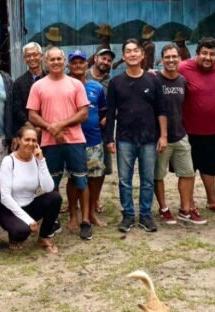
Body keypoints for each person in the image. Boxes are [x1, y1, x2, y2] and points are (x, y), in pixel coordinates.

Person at [27, 47, 92, 240]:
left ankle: (85, 221)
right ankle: (52, 220)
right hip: (49, 142)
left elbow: (83, 113)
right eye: (52, 59)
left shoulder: (75, 84)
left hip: (75, 140)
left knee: (81, 180)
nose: (56, 62)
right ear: (46, 62)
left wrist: (60, 126)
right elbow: (32, 115)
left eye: (59, 59)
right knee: (51, 183)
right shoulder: (38, 86)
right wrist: (51, 129)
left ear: (64, 62)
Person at [105, 39, 168, 233]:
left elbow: (161, 110)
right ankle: (128, 215)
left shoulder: (153, 80)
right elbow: (110, 113)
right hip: (125, 139)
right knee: (125, 180)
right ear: (123, 56)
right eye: (128, 51)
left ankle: (146, 215)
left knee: (147, 179)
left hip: (149, 139)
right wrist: (109, 139)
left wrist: (163, 136)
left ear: (142, 55)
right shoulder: (116, 82)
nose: (132, 54)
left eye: (135, 51)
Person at [179, 37, 215, 220]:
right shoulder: (183, 68)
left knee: (209, 168)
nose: (208, 57)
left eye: (212, 54)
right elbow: (166, 78)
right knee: (188, 169)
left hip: (213, 130)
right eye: (204, 53)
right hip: (187, 130)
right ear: (197, 54)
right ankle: (189, 203)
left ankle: (212, 200)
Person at [0, 125, 62, 253]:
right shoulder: (8, 161)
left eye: (34, 140)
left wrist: (41, 160)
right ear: (18, 140)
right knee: (22, 231)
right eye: (27, 139)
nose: (31, 143)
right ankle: (14, 237)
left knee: (55, 198)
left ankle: (44, 237)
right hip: (9, 209)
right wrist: (28, 220)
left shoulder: (37, 160)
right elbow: (5, 197)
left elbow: (49, 188)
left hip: (30, 205)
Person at [155, 44, 194, 225]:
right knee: (158, 175)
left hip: (180, 134)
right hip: (160, 137)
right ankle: (163, 208)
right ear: (161, 60)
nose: (171, 60)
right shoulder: (154, 80)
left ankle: (185, 209)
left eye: (174, 57)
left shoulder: (182, 81)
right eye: (167, 57)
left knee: (188, 173)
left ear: (180, 59)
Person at [68, 50, 107, 227]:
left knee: (95, 178)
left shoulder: (96, 87)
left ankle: (91, 213)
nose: (78, 65)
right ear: (69, 65)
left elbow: (103, 110)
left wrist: (105, 119)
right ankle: (73, 214)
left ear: (86, 64)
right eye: (74, 62)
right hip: (72, 141)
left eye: (81, 62)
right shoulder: (65, 86)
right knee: (73, 179)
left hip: (93, 140)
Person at [87, 47, 115, 214]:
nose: (106, 62)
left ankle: (95, 199)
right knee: (77, 168)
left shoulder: (111, 82)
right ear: (96, 58)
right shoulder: (82, 76)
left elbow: (116, 105)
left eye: (109, 60)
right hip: (82, 130)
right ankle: (76, 200)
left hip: (103, 132)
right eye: (103, 58)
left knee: (101, 168)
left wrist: (109, 117)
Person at [12, 42, 45, 132]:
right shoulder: (18, 83)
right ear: (24, 59)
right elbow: (17, 108)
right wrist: (30, 126)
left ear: (41, 56)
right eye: (28, 56)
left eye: (35, 54)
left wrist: (44, 127)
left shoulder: (50, 78)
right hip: (27, 131)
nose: (32, 58)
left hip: (49, 128)